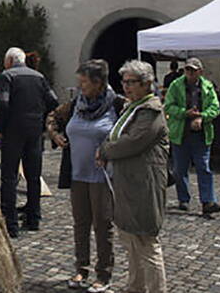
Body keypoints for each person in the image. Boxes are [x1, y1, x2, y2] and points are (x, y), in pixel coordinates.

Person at [47, 60, 124, 293]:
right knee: (81, 224)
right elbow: (52, 118)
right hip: (77, 173)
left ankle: (104, 273)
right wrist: (55, 135)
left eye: (84, 82)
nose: (80, 87)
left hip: (104, 177)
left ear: (98, 83)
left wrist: (111, 149)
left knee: (103, 225)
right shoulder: (75, 105)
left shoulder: (118, 105)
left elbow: (131, 135)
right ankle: (81, 268)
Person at [97, 60, 169, 293]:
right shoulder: (132, 107)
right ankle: (135, 287)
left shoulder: (151, 111)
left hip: (144, 184)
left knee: (147, 242)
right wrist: (105, 148)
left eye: (131, 82)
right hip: (127, 182)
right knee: (130, 240)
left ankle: (157, 289)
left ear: (146, 83)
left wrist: (106, 150)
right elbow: (115, 134)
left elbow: (132, 142)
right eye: (124, 82)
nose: (126, 87)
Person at [0, 47, 58, 237]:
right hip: (34, 130)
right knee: (33, 175)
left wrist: (1, 127)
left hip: (13, 130)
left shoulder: (7, 76)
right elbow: (53, 100)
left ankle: (10, 222)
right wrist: (41, 117)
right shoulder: (38, 77)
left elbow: (3, 103)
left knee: (9, 176)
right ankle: (34, 218)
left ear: (9, 61)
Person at [163, 57, 220, 214]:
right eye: (187, 70)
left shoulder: (208, 87)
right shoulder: (176, 85)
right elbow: (168, 106)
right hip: (180, 134)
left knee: (204, 167)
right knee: (179, 169)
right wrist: (185, 113)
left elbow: (215, 108)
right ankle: (183, 199)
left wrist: (202, 117)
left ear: (200, 72)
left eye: (193, 70)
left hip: (201, 134)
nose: (190, 73)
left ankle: (208, 201)